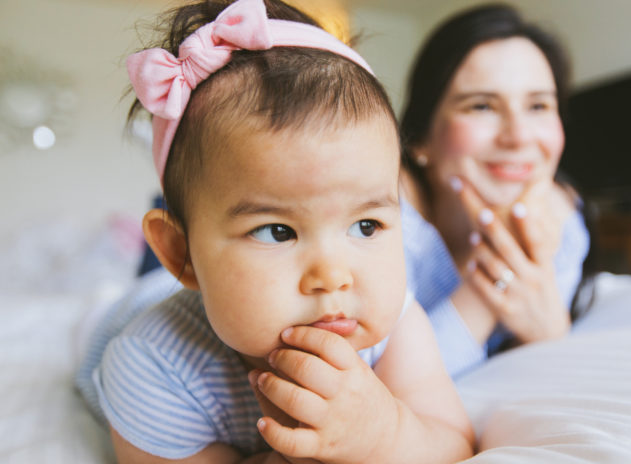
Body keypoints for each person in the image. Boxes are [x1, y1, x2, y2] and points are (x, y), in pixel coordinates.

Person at [75, 0, 474, 462]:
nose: (333, 275)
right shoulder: (152, 363)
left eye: (366, 225)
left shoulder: (394, 323)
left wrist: (385, 435)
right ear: (180, 252)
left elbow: (452, 442)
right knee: (106, 308)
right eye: (277, 232)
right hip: (122, 318)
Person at [399, 4, 591, 378]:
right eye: (482, 106)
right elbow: (390, 392)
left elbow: (535, 368)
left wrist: (550, 332)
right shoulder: (378, 225)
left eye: (538, 105)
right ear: (421, 139)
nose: (518, 136)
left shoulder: (562, 221)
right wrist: (492, 282)